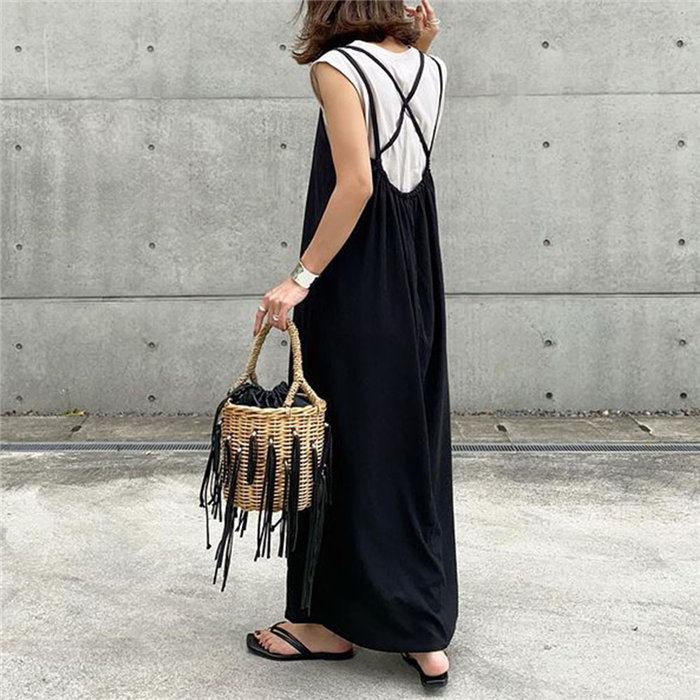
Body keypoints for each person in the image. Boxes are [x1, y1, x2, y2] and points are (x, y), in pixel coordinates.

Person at [248, 0, 457, 688]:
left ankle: (329, 624)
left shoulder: (338, 67)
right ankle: (422, 631)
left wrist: (300, 278)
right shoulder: (431, 69)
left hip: (358, 275)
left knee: (344, 438)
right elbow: (400, 152)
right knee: (407, 433)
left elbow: (358, 182)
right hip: (416, 272)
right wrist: (421, 43)